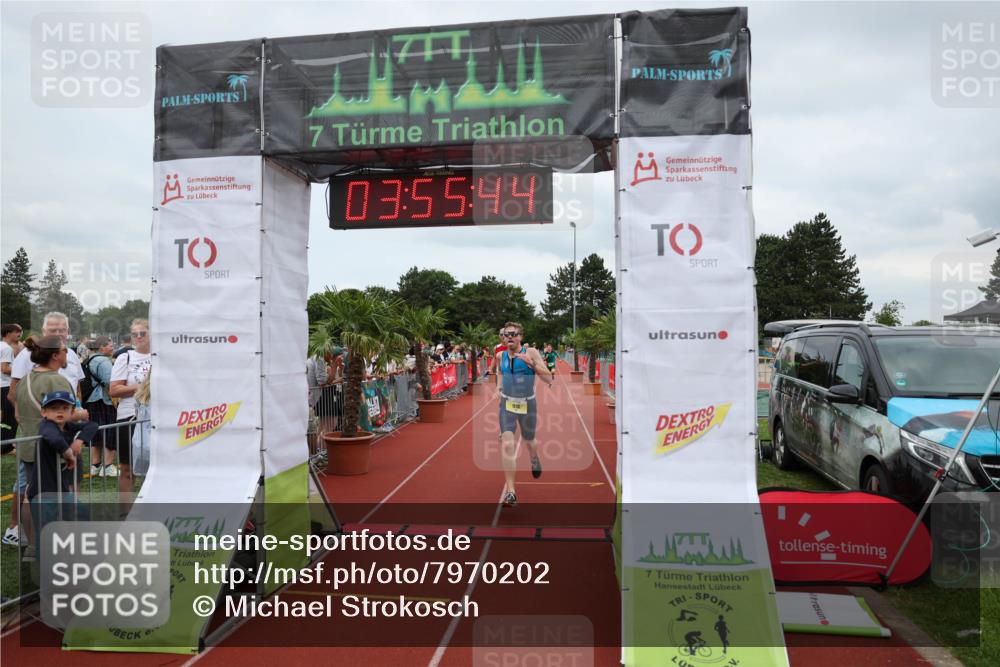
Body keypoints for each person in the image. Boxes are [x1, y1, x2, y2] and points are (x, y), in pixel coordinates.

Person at [6, 336, 88, 549]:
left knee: (31, 497)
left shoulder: (26, 379)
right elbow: (63, 416)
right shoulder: (57, 381)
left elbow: (18, 413)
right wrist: (82, 414)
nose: (67, 353)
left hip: (29, 446)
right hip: (55, 450)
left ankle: (34, 546)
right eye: (64, 350)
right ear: (54, 355)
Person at [495, 322, 554, 507]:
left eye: (513, 334)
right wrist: (498, 387)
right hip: (507, 404)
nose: (509, 337)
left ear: (521, 336)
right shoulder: (500, 355)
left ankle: (534, 458)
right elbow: (499, 372)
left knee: (529, 440)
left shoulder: (532, 353)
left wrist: (532, 365)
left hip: (528, 403)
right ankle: (511, 492)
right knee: (507, 443)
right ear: (503, 338)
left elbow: (549, 378)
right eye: (506, 334)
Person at [27, 390, 97, 548]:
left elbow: (92, 425)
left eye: (65, 408)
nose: (59, 411)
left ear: (72, 412)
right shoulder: (46, 426)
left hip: (61, 490)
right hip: (43, 493)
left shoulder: (69, 426)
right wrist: (68, 454)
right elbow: (53, 438)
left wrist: (79, 441)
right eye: (53, 408)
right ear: (44, 412)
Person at [109, 318, 152, 499]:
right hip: (129, 417)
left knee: (155, 468)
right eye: (135, 334)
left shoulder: (161, 356)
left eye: (143, 333)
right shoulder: (125, 357)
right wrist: (144, 386)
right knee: (127, 468)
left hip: (156, 418)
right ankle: (125, 515)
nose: (139, 337)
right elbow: (114, 390)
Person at [9, 312, 85, 412]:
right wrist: (26, 418)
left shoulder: (71, 354)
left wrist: (76, 412)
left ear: (68, 331)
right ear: (44, 331)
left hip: (70, 421)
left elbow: (77, 390)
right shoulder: (27, 354)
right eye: (53, 330)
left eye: (62, 330)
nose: (58, 334)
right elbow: (13, 393)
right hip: (39, 423)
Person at [83, 336, 117, 477]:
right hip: (104, 400)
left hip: (91, 400)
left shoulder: (88, 359)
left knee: (95, 433)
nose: (112, 348)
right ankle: (108, 466)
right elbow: (111, 382)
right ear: (101, 347)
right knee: (110, 431)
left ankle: (95, 465)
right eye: (110, 345)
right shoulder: (103, 361)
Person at [1, 323, 23, 450]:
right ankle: (6, 447)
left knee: (4, 416)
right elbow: (4, 368)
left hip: (2, 386)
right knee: (9, 417)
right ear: (8, 333)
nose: (19, 334)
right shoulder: (7, 348)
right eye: (16, 332)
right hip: (5, 386)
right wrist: (20, 370)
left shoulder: (2, 346)